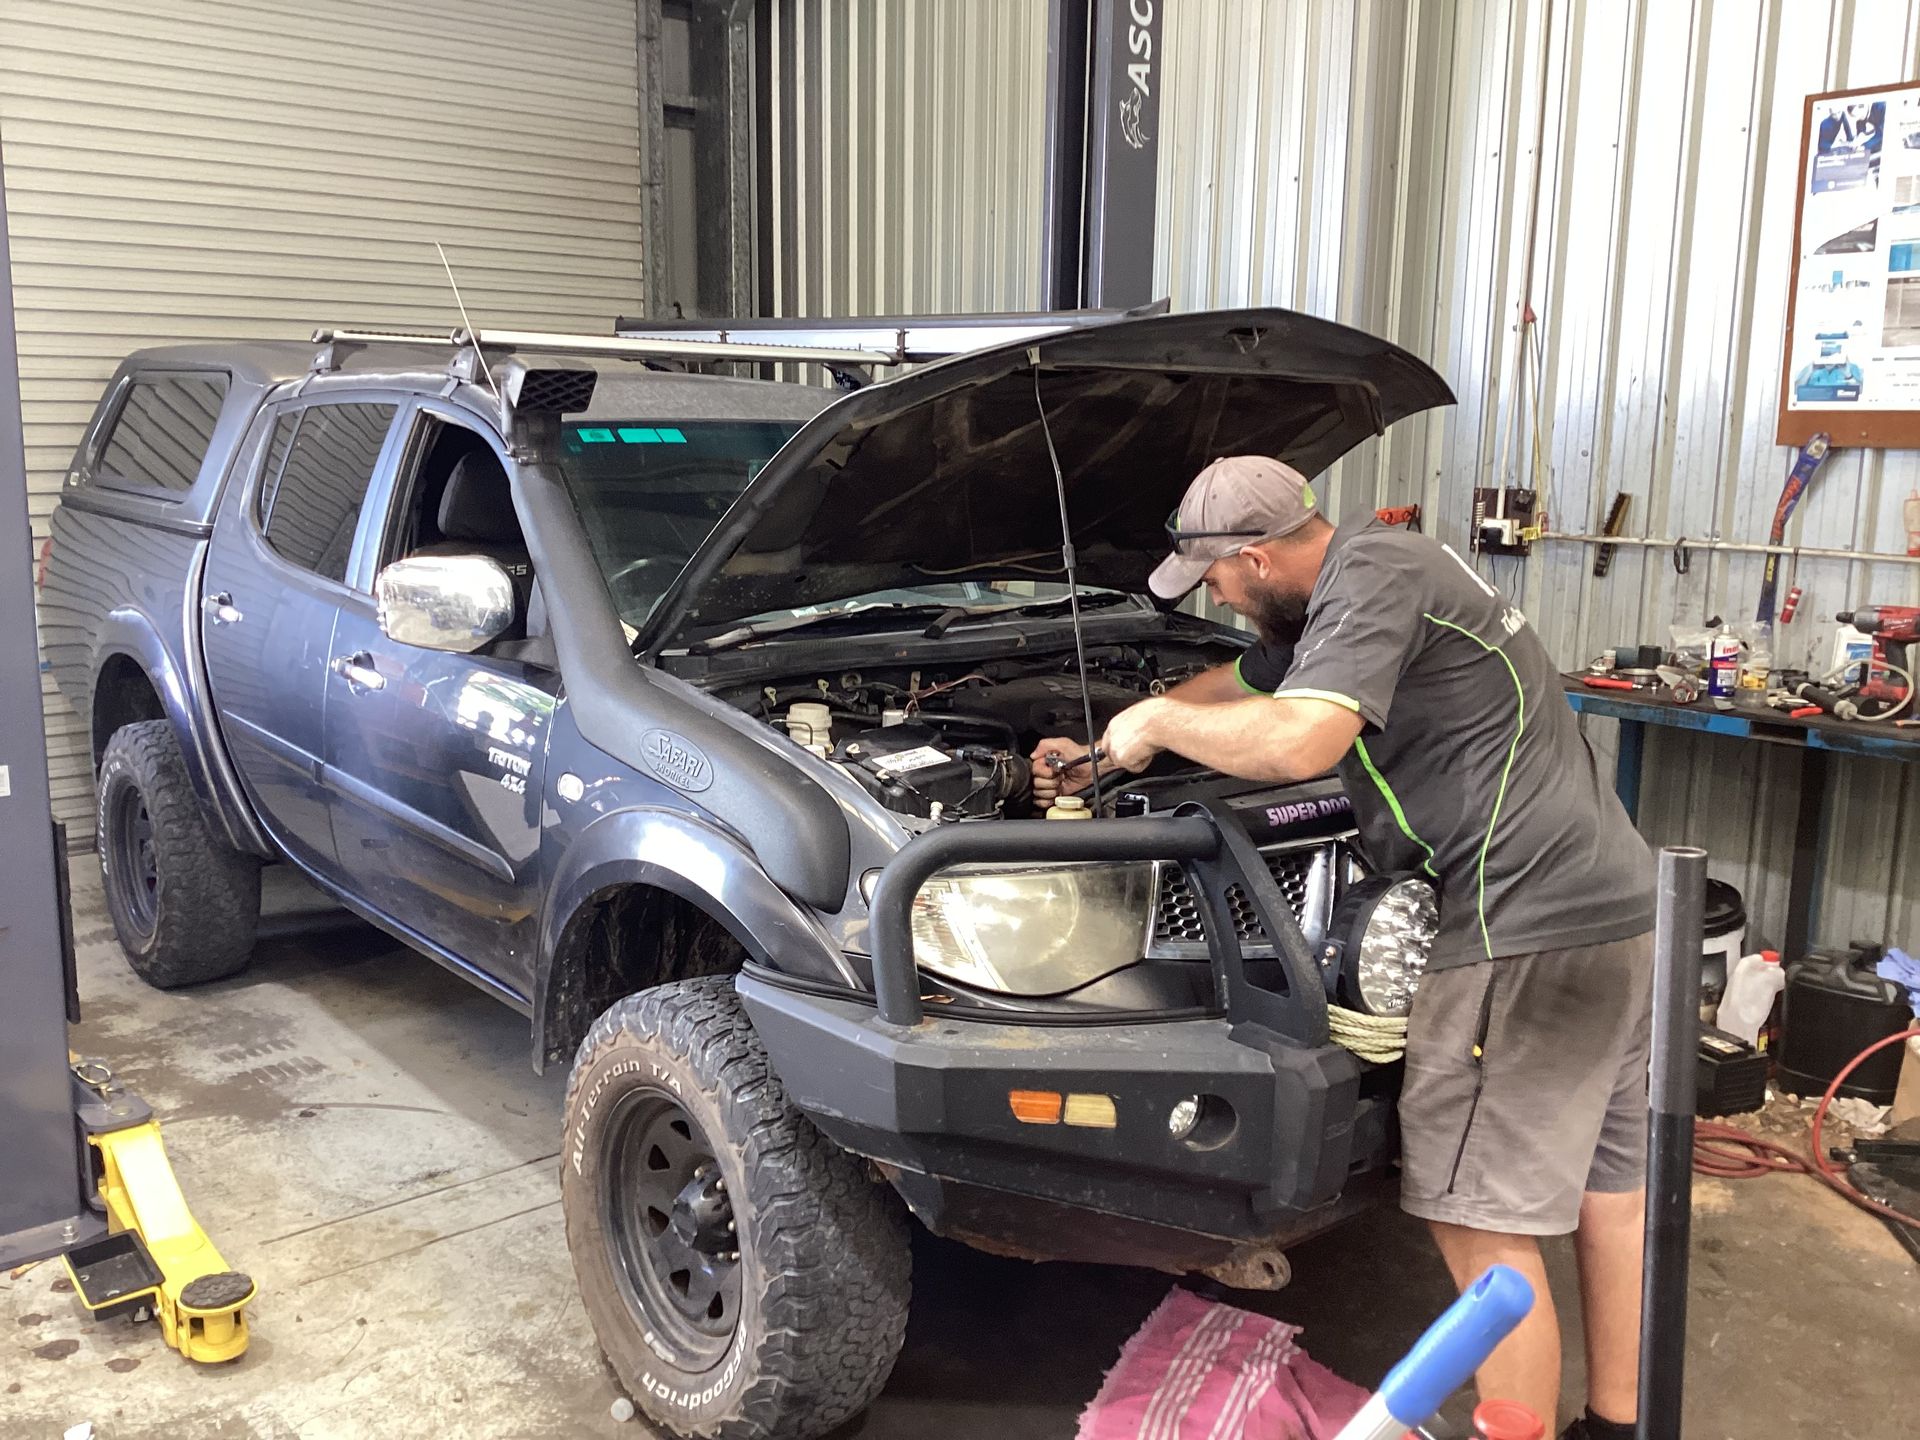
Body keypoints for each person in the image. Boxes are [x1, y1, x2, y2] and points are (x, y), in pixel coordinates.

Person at [1030, 456, 1655, 1438]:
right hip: (1615, 906)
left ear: (1257, 557)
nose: (1222, 602)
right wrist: (1111, 742)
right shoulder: (1362, 580)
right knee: (1607, 1195)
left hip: (1517, 930)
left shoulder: (1372, 581)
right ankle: (1618, 1425)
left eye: (1219, 583)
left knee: (1482, 1225)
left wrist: (1159, 722)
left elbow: (1300, 743)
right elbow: (1242, 680)